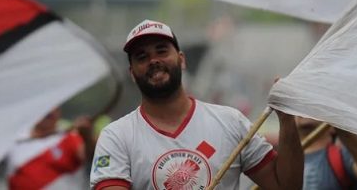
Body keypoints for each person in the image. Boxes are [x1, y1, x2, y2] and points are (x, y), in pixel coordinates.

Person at [90, 19, 303, 190]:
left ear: (182, 60)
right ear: (132, 74)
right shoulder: (117, 137)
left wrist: (287, 119)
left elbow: (287, 186)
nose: (153, 60)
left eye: (162, 50)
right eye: (142, 56)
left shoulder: (230, 122)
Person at [5, 107, 98, 189]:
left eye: (52, 113)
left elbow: (89, 156)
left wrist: (87, 137)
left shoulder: (69, 137)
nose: (48, 116)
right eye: (45, 112)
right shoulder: (18, 138)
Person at [295, 118, 357, 190]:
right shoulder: (283, 159)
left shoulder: (343, 156)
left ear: (332, 128)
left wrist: (339, 121)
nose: (303, 111)